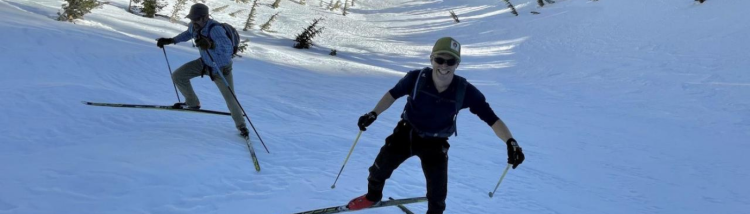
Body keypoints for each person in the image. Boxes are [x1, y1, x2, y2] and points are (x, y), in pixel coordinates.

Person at [347, 37, 526, 214]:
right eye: (439, 59)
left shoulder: (465, 91)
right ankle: (373, 197)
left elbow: (492, 119)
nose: (444, 65)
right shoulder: (416, 78)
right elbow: (393, 94)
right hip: (406, 133)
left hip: (436, 143)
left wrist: (511, 142)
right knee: (378, 171)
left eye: (451, 61)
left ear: (457, 64)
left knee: (438, 194)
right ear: (431, 59)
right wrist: (373, 113)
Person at [155, 3, 248, 137]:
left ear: (205, 17)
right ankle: (193, 103)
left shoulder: (215, 29)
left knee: (231, 99)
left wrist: (211, 44)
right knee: (178, 76)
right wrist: (171, 40)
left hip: (222, 69)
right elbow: (188, 34)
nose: (193, 21)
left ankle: (242, 126)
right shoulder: (194, 26)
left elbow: (227, 48)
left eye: (196, 18)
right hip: (204, 63)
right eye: (192, 18)